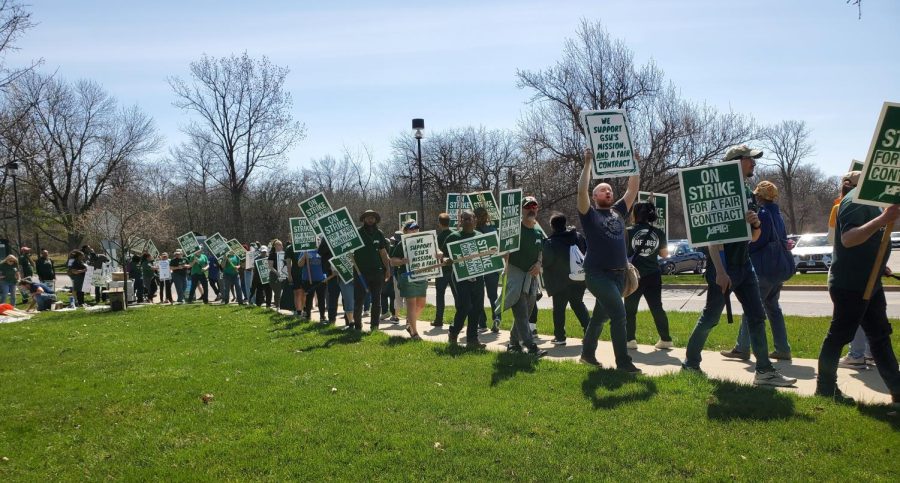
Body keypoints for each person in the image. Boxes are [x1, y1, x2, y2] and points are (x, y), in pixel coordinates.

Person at [681, 145, 796, 386]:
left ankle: (764, 370)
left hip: (746, 265)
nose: (753, 163)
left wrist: (755, 225)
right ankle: (690, 364)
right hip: (724, 266)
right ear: (735, 162)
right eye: (749, 159)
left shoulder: (747, 193)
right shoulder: (718, 192)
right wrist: (720, 272)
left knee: (756, 315)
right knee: (711, 318)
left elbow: (753, 238)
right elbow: (711, 235)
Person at [815, 185, 900, 406]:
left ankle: (898, 390)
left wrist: (879, 265)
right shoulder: (855, 201)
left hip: (871, 283)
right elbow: (849, 239)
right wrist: (883, 219)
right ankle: (825, 389)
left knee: (880, 337)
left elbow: (869, 241)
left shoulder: (873, 200)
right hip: (850, 286)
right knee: (839, 337)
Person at [575, 148, 642, 373]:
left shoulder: (618, 211)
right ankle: (623, 362)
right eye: (603, 191)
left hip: (618, 275)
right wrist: (587, 164)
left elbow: (632, 189)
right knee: (619, 315)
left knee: (599, 318)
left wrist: (634, 164)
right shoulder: (590, 215)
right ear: (595, 197)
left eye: (610, 190)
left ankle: (586, 354)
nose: (608, 192)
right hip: (597, 274)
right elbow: (581, 191)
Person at [721, 181, 793, 361]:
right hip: (778, 270)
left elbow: (758, 241)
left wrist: (745, 247)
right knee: (773, 308)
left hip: (763, 270)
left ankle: (742, 348)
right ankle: (782, 348)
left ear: (760, 196)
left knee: (751, 308)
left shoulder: (762, 214)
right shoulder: (778, 215)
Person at [501, 197, 547, 356]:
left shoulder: (537, 231)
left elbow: (541, 251)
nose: (531, 209)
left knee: (526, 313)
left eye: (534, 206)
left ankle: (513, 344)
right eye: (528, 207)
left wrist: (539, 264)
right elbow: (504, 251)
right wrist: (505, 254)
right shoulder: (514, 230)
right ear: (521, 210)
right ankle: (531, 346)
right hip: (516, 278)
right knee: (521, 313)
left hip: (531, 280)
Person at [624, 201, 673, 350]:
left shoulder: (628, 231)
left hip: (633, 275)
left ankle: (630, 340)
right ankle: (665, 339)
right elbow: (664, 255)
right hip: (653, 274)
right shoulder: (658, 232)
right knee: (657, 307)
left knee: (630, 310)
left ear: (635, 214)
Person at [542, 213, 591, 346]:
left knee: (559, 309)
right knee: (578, 304)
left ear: (552, 226)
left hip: (560, 281)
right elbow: (587, 252)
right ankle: (589, 332)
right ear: (565, 223)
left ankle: (560, 337)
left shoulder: (551, 242)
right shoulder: (578, 237)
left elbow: (546, 262)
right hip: (579, 278)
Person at [444, 210, 487, 349]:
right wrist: (446, 259)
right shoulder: (453, 237)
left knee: (477, 308)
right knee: (465, 307)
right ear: (460, 221)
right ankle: (454, 332)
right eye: (465, 219)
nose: (468, 221)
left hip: (478, 278)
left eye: (470, 219)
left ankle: (472, 339)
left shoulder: (481, 237)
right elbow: (441, 254)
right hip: (460, 277)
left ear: (475, 220)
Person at [352, 210, 392, 331]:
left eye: (373, 218)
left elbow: (383, 252)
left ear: (375, 220)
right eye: (368, 218)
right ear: (364, 219)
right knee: (359, 300)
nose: (370, 220)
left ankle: (374, 326)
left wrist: (388, 269)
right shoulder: (356, 233)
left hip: (377, 272)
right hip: (360, 273)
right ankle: (357, 326)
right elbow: (347, 249)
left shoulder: (379, 233)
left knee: (376, 300)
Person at [390, 220, 430, 340]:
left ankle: (409, 323)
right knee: (411, 305)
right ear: (405, 231)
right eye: (412, 229)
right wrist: (402, 261)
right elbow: (392, 261)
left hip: (422, 276)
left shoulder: (425, 240)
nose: (415, 230)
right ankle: (414, 333)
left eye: (416, 228)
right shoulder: (402, 244)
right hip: (406, 276)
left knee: (421, 305)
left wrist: (439, 253)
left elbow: (435, 250)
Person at [474, 207, 501, 333]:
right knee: (493, 296)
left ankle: (482, 322)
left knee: (478, 295)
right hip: (493, 266)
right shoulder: (493, 229)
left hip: (479, 267)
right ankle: (497, 318)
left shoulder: (473, 232)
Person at [432, 213, 455, 329]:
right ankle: (457, 319)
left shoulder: (437, 238)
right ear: (449, 222)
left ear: (440, 223)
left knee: (440, 295)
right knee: (457, 295)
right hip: (454, 270)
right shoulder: (455, 235)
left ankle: (438, 319)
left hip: (441, 270)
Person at [299, 246, 327, 321]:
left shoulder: (322, 251)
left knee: (321, 299)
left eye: (318, 239)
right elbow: (300, 264)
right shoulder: (305, 251)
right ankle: (308, 315)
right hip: (308, 279)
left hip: (321, 279)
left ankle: (322, 316)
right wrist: (304, 257)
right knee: (308, 299)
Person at [380, 234, 400, 324]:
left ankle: (385, 312)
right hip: (395, 275)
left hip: (387, 275)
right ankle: (393, 313)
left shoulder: (386, 251)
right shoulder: (397, 249)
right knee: (393, 296)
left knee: (383, 294)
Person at [268, 240, 287, 310]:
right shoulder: (272, 255)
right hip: (274, 275)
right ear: (275, 246)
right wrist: (277, 273)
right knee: (277, 291)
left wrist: (284, 272)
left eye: (281, 245)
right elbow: (270, 266)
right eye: (279, 245)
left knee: (285, 291)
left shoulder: (285, 254)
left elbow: (287, 264)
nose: (281, 246)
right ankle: (277, 306)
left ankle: (284, 306)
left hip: (284, 274)